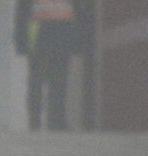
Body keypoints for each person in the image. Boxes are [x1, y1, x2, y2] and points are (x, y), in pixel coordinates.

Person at [13, 0, 94, 130]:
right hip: (48, 38)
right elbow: (22, 12)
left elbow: (79, 13)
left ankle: (51, 122)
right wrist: (21, 41)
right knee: (44, 83)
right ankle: (41, 122)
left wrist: (20, 42)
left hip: (51, 38)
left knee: (53, 84)